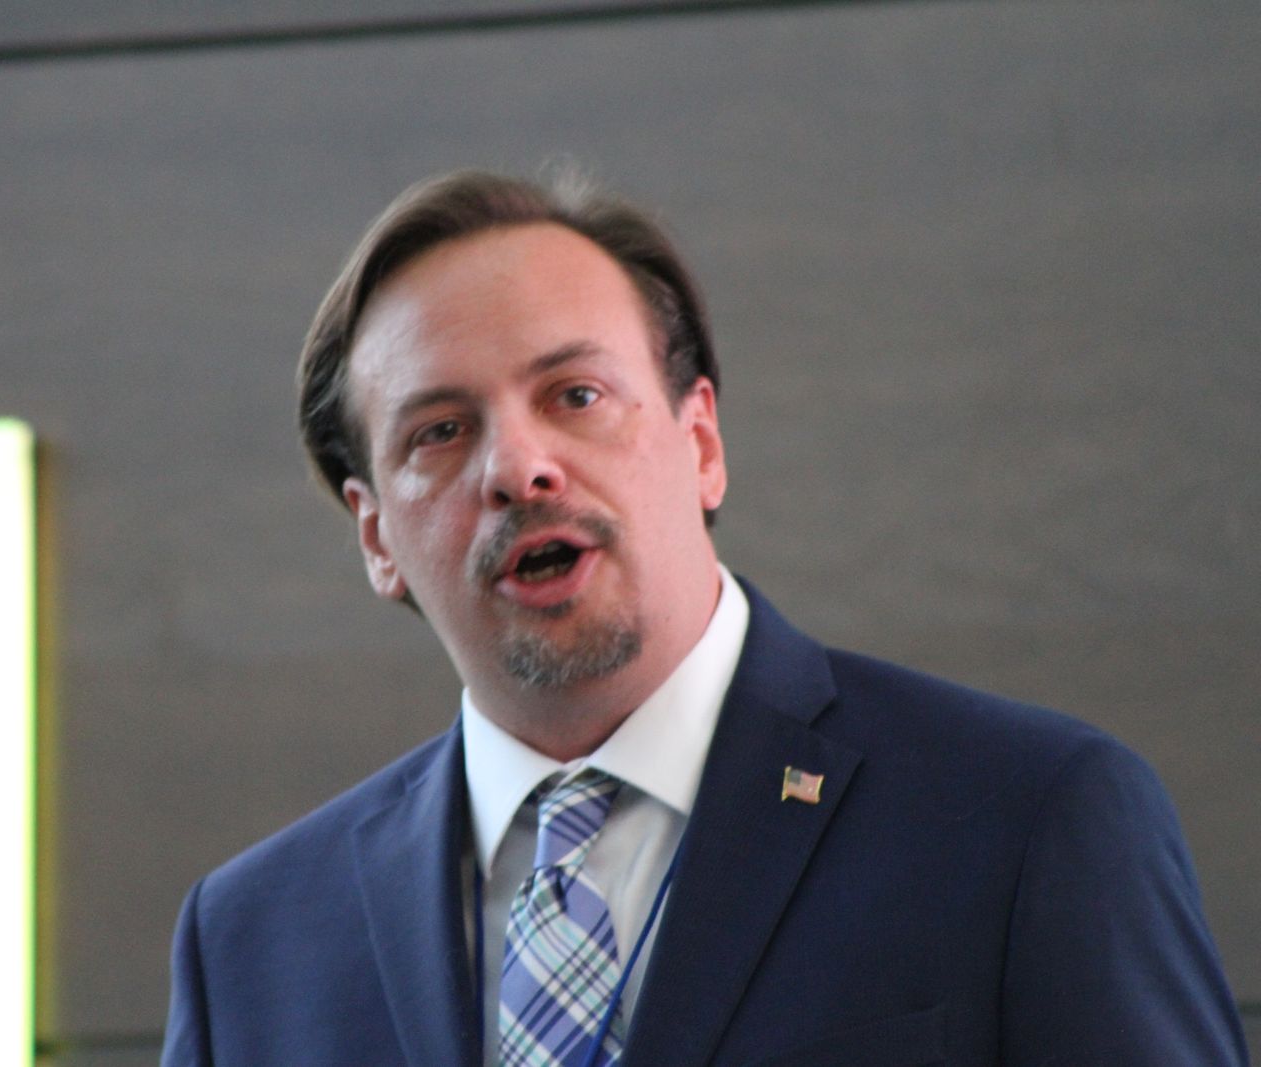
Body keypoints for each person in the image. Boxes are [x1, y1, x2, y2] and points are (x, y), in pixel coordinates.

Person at [161, 170, 1248, 1066]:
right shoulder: (250, 942)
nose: (518, 466)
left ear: (702, 442)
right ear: (376, 537)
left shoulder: (1024, 818)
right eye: (439, 431)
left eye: (575, 395)